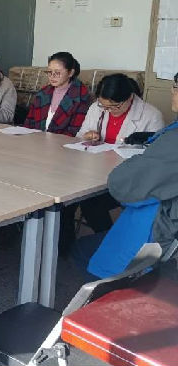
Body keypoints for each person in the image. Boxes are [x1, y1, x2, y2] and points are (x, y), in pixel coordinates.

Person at [71, 73, 178, 279]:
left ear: (129, 98)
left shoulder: (166, 132)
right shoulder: (171, 135)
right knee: (90, 205)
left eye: (175, 87)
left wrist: (136, 161)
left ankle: (107, 291)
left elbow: (124, 184)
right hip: (160, 212)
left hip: (154, 227)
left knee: (81, 248)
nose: (172, 92)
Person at [76, 73, 164, 144]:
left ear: (130, 97)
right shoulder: (95, 107)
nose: (108, 110)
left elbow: (154, 151)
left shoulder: (152, 116)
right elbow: (79, 137)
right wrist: (86, 137)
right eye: (103, 105)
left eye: (114, 106)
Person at [23, 52, 91, 136]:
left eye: (57, 72)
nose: (52, 76)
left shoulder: (80, 96)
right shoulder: (43, 93)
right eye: (49, 72)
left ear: (70, 73)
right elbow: (29, 123)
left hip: (62, 142)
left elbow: (74, 131)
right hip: (36, 139)